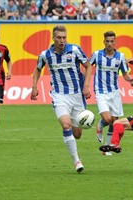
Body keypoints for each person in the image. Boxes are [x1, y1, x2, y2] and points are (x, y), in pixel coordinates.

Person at [30, 25, 92, 173]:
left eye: (64, 37)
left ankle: (73, 143)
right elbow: (38, 68)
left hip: (77, 96)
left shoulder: (75, 50)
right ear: (53, 38)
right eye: (59, 37)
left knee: (77, 134)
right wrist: (34, 86)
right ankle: (77, 161)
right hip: (59, 96)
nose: (62, 40)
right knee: (66, 125)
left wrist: (87, 86)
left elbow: (88, 66)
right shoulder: (46, 55)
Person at [90, 31, 133, 156]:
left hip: (114, 92)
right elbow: (87, 67)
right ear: (104, 41)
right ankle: (100, 124)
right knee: (107, 118)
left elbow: (125, 74)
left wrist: (130, 79)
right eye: (107, 41)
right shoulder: (97, 54)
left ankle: (108, 148)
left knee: (114, 121)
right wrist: (85, 85)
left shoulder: (120, 56)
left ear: (115, 42)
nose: (109, 43)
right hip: (100, 91)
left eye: (112, 41)